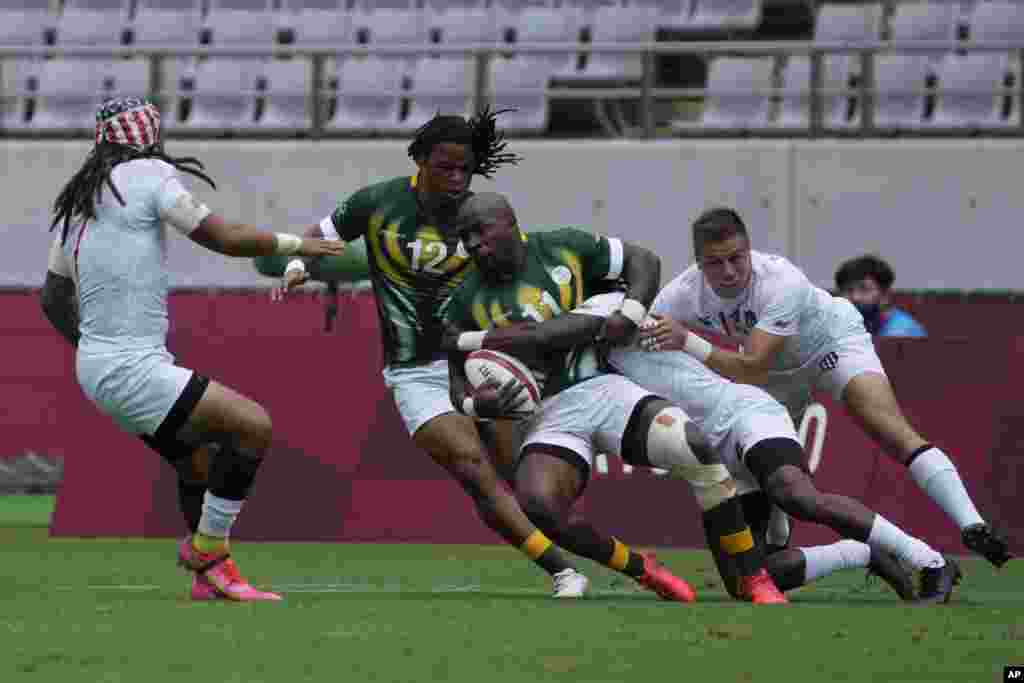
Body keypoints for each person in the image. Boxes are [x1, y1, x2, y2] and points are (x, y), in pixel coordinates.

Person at [39, 97, 345, 601]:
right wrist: (298, 245)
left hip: (96, 369)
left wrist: (95, 346)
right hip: (130, 367)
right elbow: (222, 238)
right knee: (252, 426)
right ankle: (207, 550)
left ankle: (211, 580)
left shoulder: (81, 200)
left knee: (196, 461)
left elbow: (52, 298)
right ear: (151, 138)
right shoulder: (149, 173)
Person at [278, 110, 590, 598]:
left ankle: (615, 557)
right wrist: (298, 263)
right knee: (471, 467)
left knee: (528, 483)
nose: (456, 178)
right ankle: (562, 571)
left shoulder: (478, 215)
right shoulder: (377, 203)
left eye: (464, 169)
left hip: (479, 359)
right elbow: (318, 233)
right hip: (414, 371)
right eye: (445, 167)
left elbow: (520, 263)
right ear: (420, 160)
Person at [442, 192, 789, 604]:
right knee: (539, 506)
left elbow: (644, 261)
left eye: (481, 231)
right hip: (546, 416)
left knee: (696, 448)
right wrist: (477, 406)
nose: (475, 244)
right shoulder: (465, 300)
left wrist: (634, 312)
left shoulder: (562, 246)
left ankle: (753, 577)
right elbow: (456, 383)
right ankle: (643, 569)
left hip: (603, 389)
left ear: (509, 221)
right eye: (466, 237)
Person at [638, 207, 1011, 569]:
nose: (730, 271)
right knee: (765, 467)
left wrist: (687, 340)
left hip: (830, 346)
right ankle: (786, 540)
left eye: (737, 257)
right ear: (699, 264)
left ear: (750, 249)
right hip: (776, 375)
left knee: (889, 430)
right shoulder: (685, 292)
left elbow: (752, 366)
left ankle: (972, 525)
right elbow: (642, 333)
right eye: (715, 263)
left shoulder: (781, 280)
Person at [834, 254, 926, 338]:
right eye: (848, 290)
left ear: (885, 295)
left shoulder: (903, 331)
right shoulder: (834, 329)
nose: (855, 297)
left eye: (864, 289)